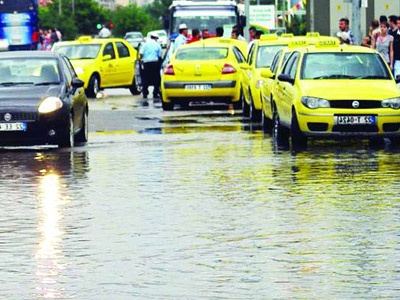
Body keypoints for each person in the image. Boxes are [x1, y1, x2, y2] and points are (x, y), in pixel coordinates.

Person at [139, 33, 163, 99]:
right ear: (155, 38)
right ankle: (155, 93)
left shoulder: (145, 44)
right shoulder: (157, 45)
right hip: (154, 64)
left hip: (146, 64)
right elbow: (160, 55)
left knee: (145, 79)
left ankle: (145, 93)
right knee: (156, 79)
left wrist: (141, 61)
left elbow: (140, 54)